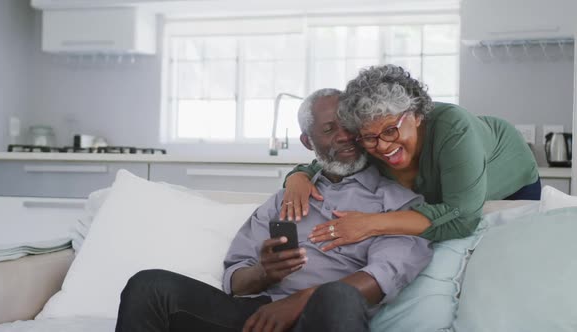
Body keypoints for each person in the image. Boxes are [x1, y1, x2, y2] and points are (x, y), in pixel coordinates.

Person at [115, 88, 433, 332]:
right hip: (261, 316)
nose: (345, 136)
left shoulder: (396, 202)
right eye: (329, 129)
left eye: (350, 125)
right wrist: (264, 273)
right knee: (149, 286)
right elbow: (236, 280)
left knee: (339, 297)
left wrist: (299, 301)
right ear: (308, 142)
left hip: (321, 317)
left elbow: (383, 278)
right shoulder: (285, 198)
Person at [281, 65, 540, 247]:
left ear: (416, 116)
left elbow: (461, 220)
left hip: (510, 184)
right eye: (369, 137)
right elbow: (333, 160)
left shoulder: (454, 128)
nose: (382, 146)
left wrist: (370, 224)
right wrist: (298, 177)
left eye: (391, 130)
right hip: (447, 205)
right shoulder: (369, 138)